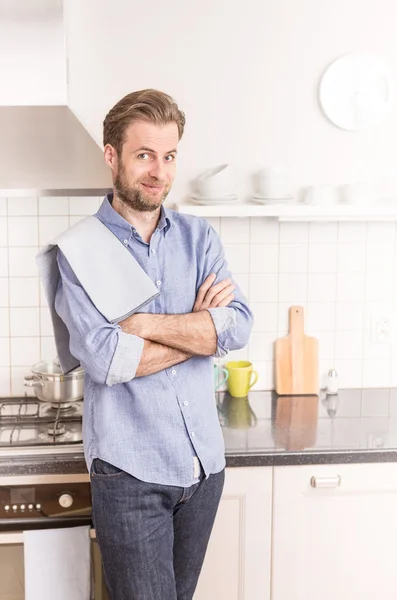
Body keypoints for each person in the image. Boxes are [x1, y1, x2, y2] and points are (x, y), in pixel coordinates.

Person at [55, 89, 253, 600]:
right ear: (112, 156)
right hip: (130, 474)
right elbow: (105, 359)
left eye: (169, 157)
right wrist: (197, 329)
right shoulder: (79, 252)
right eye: (144, 155)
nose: (158, 172)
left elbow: (236, 327)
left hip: (202, 467)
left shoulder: (198, 237)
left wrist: (142, 323)